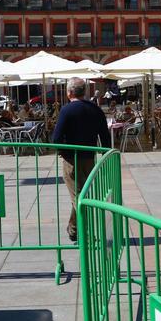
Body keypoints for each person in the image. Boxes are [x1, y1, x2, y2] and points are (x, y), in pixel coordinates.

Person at [52, 77, 110, 242]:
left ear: (69, 92)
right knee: (80, 195)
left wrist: (64, 153)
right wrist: (105, 155)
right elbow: (105, 137)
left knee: (78, 197)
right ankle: (74, 229)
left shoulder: (66, 110)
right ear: (84, 92)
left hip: (72, 160)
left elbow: (56, 139)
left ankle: (84, 232)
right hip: (89, 159)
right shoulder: (96, 109)